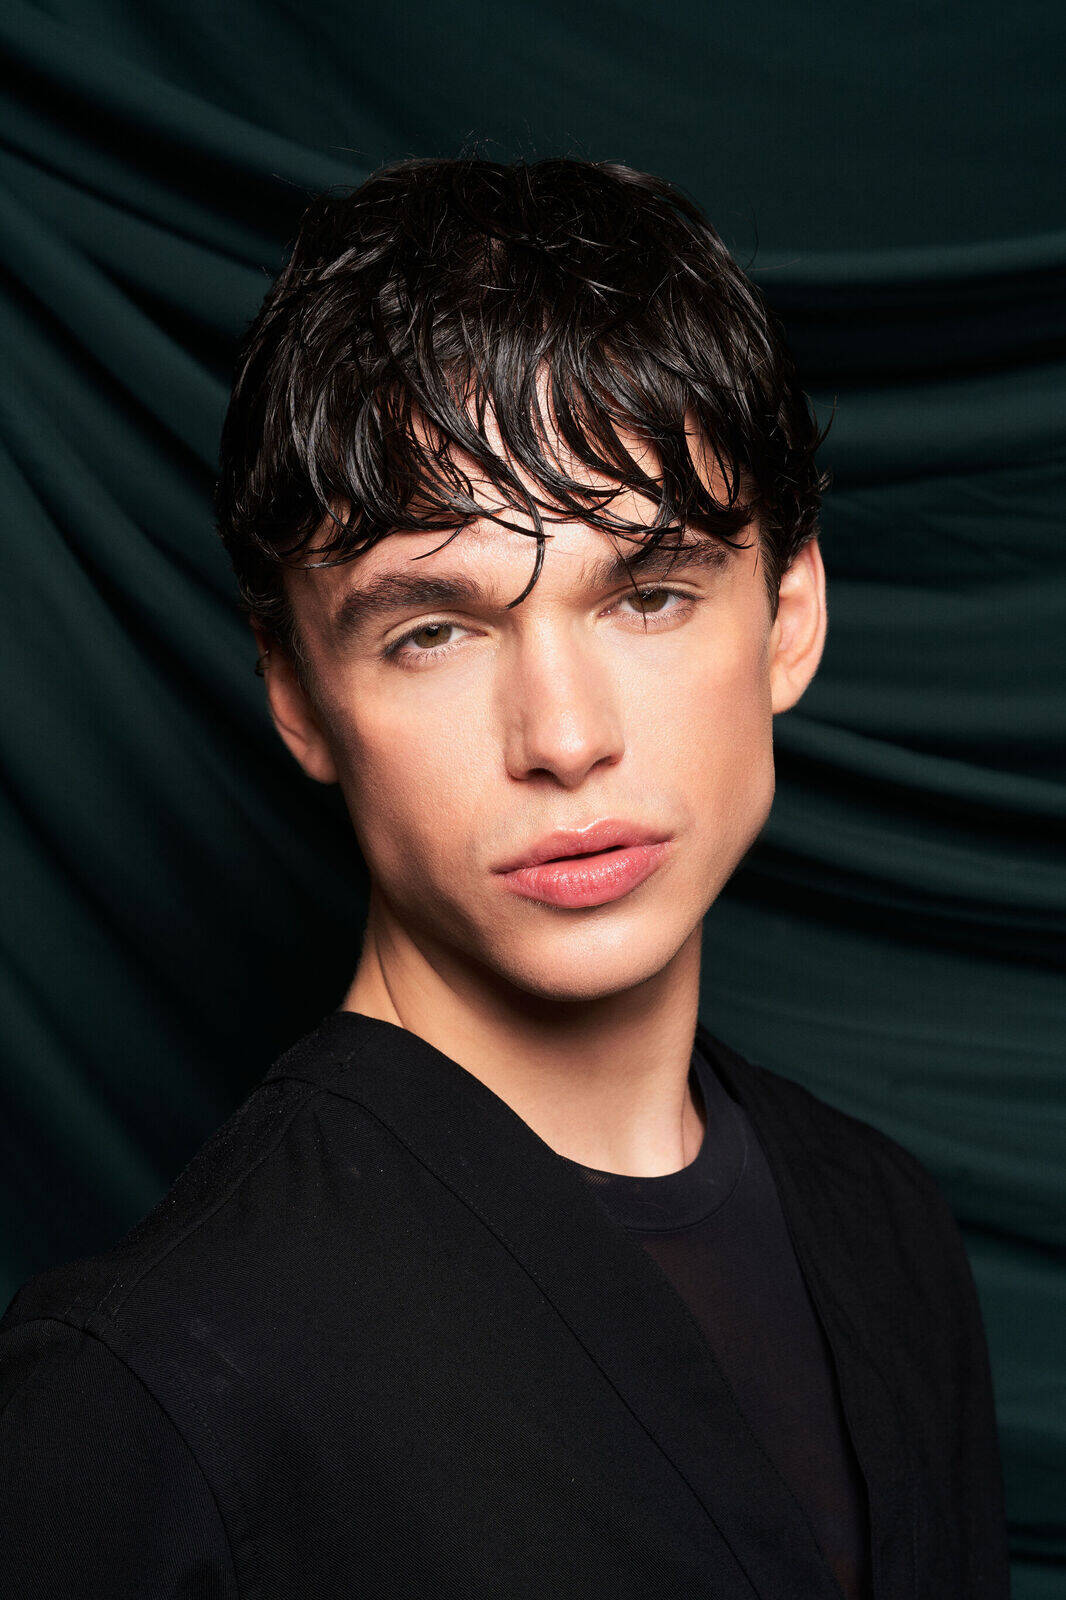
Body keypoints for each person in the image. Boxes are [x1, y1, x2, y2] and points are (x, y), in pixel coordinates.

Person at [0, 156, 1009, 1599]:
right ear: (297, 694)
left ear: (788, 616)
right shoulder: (142, 1391)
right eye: (434, 631)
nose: (565, 737)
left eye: (648, 594)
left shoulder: (885, 1228)